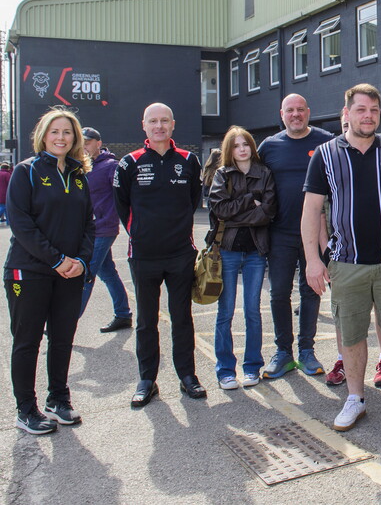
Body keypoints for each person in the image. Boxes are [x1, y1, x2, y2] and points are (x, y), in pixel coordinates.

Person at [302, 83, 381, 432]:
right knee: (350, 334)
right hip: (347, 262)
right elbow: (310, 211)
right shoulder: (324, 153)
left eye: (373, 110)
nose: (367, 116)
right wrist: (312, 259)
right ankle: (355, 397)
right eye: (361, 109)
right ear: (347, 112)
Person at [4, 108, 94, 434]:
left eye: (67, 132)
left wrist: (81, 261)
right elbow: (21, 223)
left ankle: (58, 399)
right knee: (27, 341)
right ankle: (26, 409)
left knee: (63, 339)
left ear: (75, 138)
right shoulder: (25, 171)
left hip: (69, 273)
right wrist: (56, 260)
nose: (61, 137)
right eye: (55, 131)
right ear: (43, 135)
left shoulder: (78, 174)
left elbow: (88, 224)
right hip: (29, 272)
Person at [114, 103, 204, 407]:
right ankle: (147, 380)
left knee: (182, 318)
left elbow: (192, 201)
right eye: (153, 121)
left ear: (173, 124)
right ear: (144, 125)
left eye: (164, 120)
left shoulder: (189, 161)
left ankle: (187, 376)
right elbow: (122, 207)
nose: (159, 126)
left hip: (180, 254)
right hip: (143, 256)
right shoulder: (129, 163)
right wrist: (142, 234)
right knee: (146, 321)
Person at [258, 94, 335, 379]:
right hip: (280, 233)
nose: (295, 115)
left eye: (300, 110)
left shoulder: (325, 142)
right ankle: (282, 352)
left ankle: (306, 351)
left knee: (310, 290)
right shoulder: (269, 146)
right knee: (279, 293)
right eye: (290, 110)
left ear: (308, 112)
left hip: (315, 233)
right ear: (282, 114)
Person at [325, 114, 381, 389]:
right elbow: (319, 211)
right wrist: (322, 256)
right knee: (346, 317)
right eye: (343, 126)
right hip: (342, 256)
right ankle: (343, 360)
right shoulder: (330, 158)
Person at [208, 126, 277, 390]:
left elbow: (268, 213)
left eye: (246, 144)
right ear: (230, 150)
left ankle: (252, 367)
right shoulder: (222, 175)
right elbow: (221, 210)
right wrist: (250, 200)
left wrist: (239, 212)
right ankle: (225, 370)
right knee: (225, 312)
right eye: (236, 146)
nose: (242, 149)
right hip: (227, 250)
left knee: (252, 312)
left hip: (255, 252)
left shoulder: (265, 174)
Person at [78, 127, 134, 333]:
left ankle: (66, 321)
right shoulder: (82, 166)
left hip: (103, 230)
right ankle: (123, 314)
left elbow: (124, 197)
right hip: (87, 230)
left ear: (98, 143)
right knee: (107, 272)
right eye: (81, 142)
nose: (83, 146)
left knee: (86, 273)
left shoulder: (111, 166)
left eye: (88, 141)